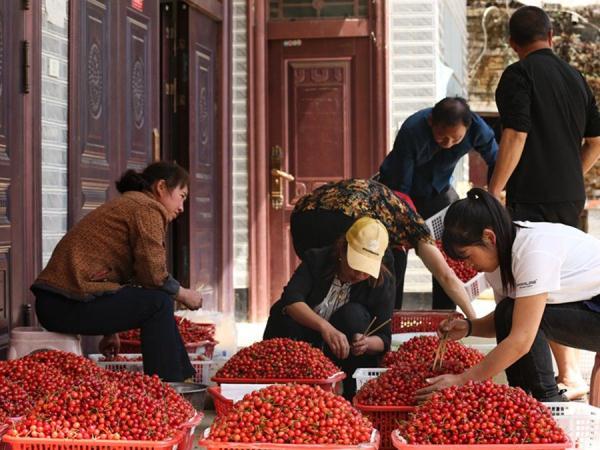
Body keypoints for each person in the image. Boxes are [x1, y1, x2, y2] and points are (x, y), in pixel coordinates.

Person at [488, 6, 600, 399]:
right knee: (567, 286)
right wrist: (571, 176)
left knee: (530, 289)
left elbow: (516, 134)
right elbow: (596, 143)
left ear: (512, 43)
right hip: (569, 199)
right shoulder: (576, 78)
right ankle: (569, 374)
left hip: (532, 199)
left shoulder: (518, 75)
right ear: (551, 36)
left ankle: (541, 385)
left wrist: (494, 190)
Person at [416, 188, 600, 403]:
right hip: (585, 305)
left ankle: (548, 402)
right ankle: (519, 397)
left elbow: (522, 338)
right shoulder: (498, 261)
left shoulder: (532, 252)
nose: (468, 266)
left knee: (528, 321)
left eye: (467, 256)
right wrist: (470, 327)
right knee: (508, 311)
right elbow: (505, 319)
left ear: (489, 237)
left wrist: (464, 379)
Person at [31, 161, 203, 382]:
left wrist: (110, 331)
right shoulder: (147, 208)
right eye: (182, 196)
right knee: (159, 303)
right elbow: (153, 274)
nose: (181, 207)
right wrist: (184, 293)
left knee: (158, 301)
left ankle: (181, 382)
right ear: (161, 187)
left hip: (59, 303)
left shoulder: (133, 204)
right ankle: (169, 388)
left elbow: (125, 278)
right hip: (62, 304)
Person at [290, 178, 476, 318]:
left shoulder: (383, 202)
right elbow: (446, 275)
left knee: (317, 285)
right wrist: (473, 319)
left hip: (302, 216)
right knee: (361, 283)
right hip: (343, 218)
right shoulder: (414, 226)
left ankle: (316, 334)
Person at [378, 97, 497, 310]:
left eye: (456, 139)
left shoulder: (476, 127)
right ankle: (390, 317)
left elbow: (496, 159)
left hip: (438, 191)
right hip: (398, 193)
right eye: (443, 138)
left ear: (468, 128)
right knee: (396, 255)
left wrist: (494, 194)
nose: (449, 143)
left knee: (451, 247)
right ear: (432, 121)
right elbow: (401, 188)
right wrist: (410, 226)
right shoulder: (413, 130)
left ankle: (445, 314)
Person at [264, 217, 394, 397]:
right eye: (355, 266)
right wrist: (325, 327)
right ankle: (288, 390)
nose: (359, 274)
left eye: (366, 270)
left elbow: (384, 338)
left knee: (353, 315)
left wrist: (366, 343)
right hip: (304, 344)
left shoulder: (381, 281)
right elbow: (291, 299)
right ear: (343, 249)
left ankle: (348, 391)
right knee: (285, 316)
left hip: (346, 354)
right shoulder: (316, 260)